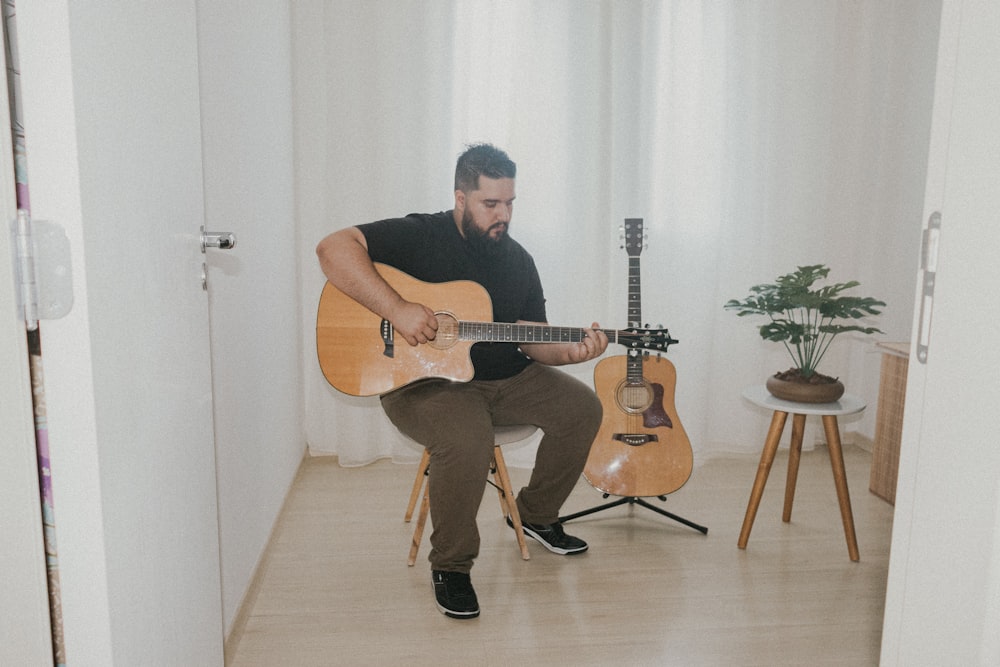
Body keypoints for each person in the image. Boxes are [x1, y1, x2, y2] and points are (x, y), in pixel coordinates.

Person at [315, 143, 608, 619]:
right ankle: (451, 565)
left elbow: (532, 339)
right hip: (424, 383)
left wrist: (573, 352)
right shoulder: (421, 235)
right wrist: (397, 308)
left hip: (506, 379)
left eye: (510, 203)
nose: (503, 215)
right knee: (467, 438)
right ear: (460, 197)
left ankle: (534, 515)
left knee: (583, 408)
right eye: (490, 204)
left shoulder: (518, 261)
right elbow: (333, 248)